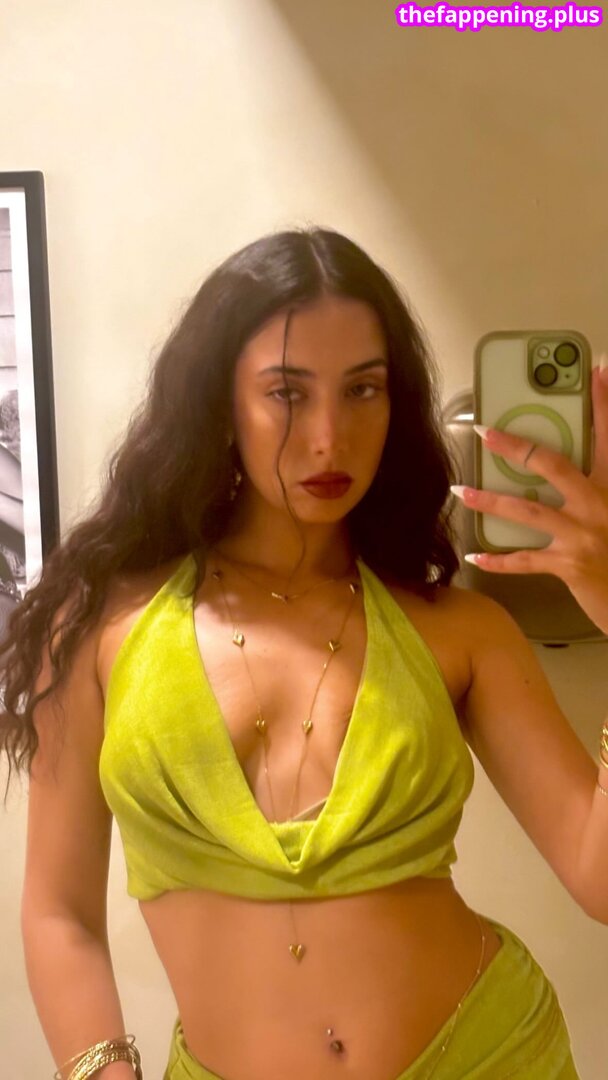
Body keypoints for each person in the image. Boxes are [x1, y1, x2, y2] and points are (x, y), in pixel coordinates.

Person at [2, 226, 607, 1080]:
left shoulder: (459, 628)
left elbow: (598, 878)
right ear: (220, 404)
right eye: (287, 392)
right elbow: (58, 913)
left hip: (492, 1056)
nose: (330, 436)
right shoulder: (99, 624)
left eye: (363, 389)